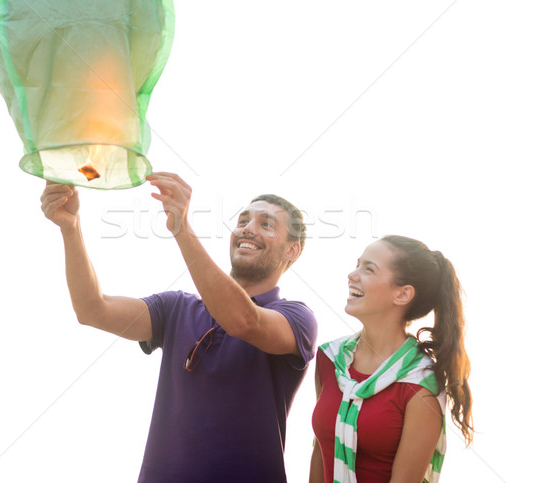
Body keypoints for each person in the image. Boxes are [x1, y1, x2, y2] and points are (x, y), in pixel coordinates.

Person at [40, 172, 317, 483]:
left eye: (266, 224)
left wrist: (182, 228)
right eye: (243, 221)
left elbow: (243, 321)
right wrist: (71, 226)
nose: (247, 230)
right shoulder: (176, 308)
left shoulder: (296, 317)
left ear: (292, 250)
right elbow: (93, 310)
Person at [310, 235, 473, 483]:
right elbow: (321, 452)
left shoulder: (421, 384)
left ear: (403, 294)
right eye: (357, 264)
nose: (352, 275)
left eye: (368, 269)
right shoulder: (330, 359)